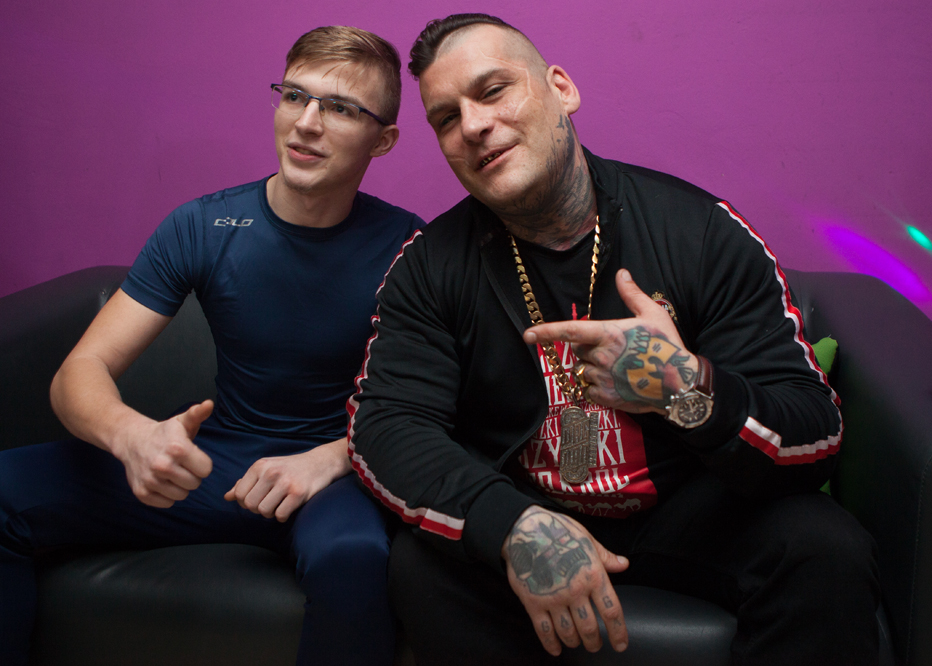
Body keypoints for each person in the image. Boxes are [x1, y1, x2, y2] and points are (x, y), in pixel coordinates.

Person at [348, 13, 879, 666]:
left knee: (825, 548)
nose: (474, 125)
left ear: (561, 89)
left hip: (689, 510)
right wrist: (511, 524)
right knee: (420, 567)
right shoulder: (429, 265)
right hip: (529, 507)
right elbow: (386, 426)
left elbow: (814, 432)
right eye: (446, 119)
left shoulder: (700, 232)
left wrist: (683, 389)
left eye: (493, 91)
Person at [0, 25, 423, 666]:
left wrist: (334, 457)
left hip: (331, 476)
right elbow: (79, 370)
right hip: (217, 465)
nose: (306, 123)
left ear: (382, 140)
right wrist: (132, 437)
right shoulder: (204, 225)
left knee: (354, 558)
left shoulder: (409, 246)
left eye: (339, 108)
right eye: (294, 96)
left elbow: (432, 404)